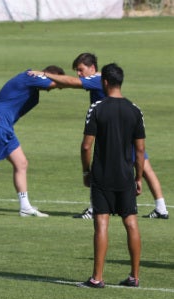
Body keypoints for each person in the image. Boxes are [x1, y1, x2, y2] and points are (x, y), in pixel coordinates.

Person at [29, 52, 168, 220]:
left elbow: (72, 83)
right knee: (144, 166)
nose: (78, 74)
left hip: (113, 129)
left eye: (81, 69)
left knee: (102, 164)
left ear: (92, 68)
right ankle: (161, 208)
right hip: (123, 126)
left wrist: (45, 74)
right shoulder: (98, 81)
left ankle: (95, 208)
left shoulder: (97, 79)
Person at [0, 66, 66, 219]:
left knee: (21, 163)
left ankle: (25, 207)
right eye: (55, 83)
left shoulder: (34, 89)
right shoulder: (31, 76)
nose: (53, 89)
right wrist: (81, 82)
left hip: (5, 128)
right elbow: (54, 83)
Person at [77, 63, 145, 288]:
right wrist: (138, 177)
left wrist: (87, 172)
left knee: (102, 225)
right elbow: (140, 150)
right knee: (131, 223)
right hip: (126, 175)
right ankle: (134, 276)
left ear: (104, 82)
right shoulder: (135, 110)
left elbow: (87, 146)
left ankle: (97, 277)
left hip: (102, 175)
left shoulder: (97, 108)